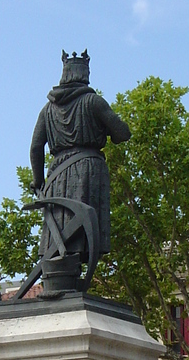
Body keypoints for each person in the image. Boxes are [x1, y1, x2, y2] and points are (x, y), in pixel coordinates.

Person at [30, 51, 132, 271]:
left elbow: (36, 147)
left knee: (60, 227)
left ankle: (63, 267)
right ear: (84, 73)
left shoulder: (47, 109)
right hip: (88, 170)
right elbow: (123, 133)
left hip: (57, 174)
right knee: (84, 228)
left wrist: (38, 182)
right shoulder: (93, 102)